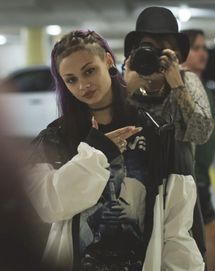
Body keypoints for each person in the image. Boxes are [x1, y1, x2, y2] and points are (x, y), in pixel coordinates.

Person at [25, 29, 204, 271]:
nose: (83, 85)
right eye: (71, 79)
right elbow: (49, 206)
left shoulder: (156, 129)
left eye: (89, 71)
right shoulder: (56, 137)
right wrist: (96, 154)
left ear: (108, 61)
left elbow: (177, 225)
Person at [122, 6, 214, 263]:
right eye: (147, 46)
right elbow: (98, 132)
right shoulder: (125, 83)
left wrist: (177, 85)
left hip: (177, 195)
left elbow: (202, 132)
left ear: (174, 53)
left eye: (162, 48)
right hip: (131, 192)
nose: (153, 55)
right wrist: (126, 89)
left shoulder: (188, 81)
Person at [181, 28, 215, 271]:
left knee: (204, 236)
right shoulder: (182, 87)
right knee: (209, 233)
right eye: (196, 48)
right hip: (189, 177)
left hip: (201, 177)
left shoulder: (205, 90)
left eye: (204, 48)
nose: (203, 53)